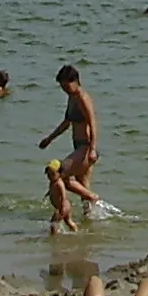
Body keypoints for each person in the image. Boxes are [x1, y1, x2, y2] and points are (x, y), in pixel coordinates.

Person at [39, 65, 101, 210]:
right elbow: (67, 122)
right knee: (82, 184)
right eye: (62, 87)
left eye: (66, 86)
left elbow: (92, 123)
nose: (65, 90)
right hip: (78, 145)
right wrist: (50, 138)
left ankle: (93, 198)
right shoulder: (72, 98)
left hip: (85, 147)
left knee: (60, 175)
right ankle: (90, 217)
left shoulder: (82, 98)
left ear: (75, 81)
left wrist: (92, 149)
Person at [44, 160, 77, 234]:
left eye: (52, 174)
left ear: (59, 174)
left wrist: (62, 207)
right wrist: (49, 193)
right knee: (68, 221)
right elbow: (52, 190)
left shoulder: (59, 183)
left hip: (63, 206)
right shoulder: (53, 182)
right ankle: (75, 231)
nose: (50, 177)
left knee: (53, 222)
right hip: (65, 206)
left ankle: (53, 236)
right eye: (48, 174)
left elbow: (63, 194)